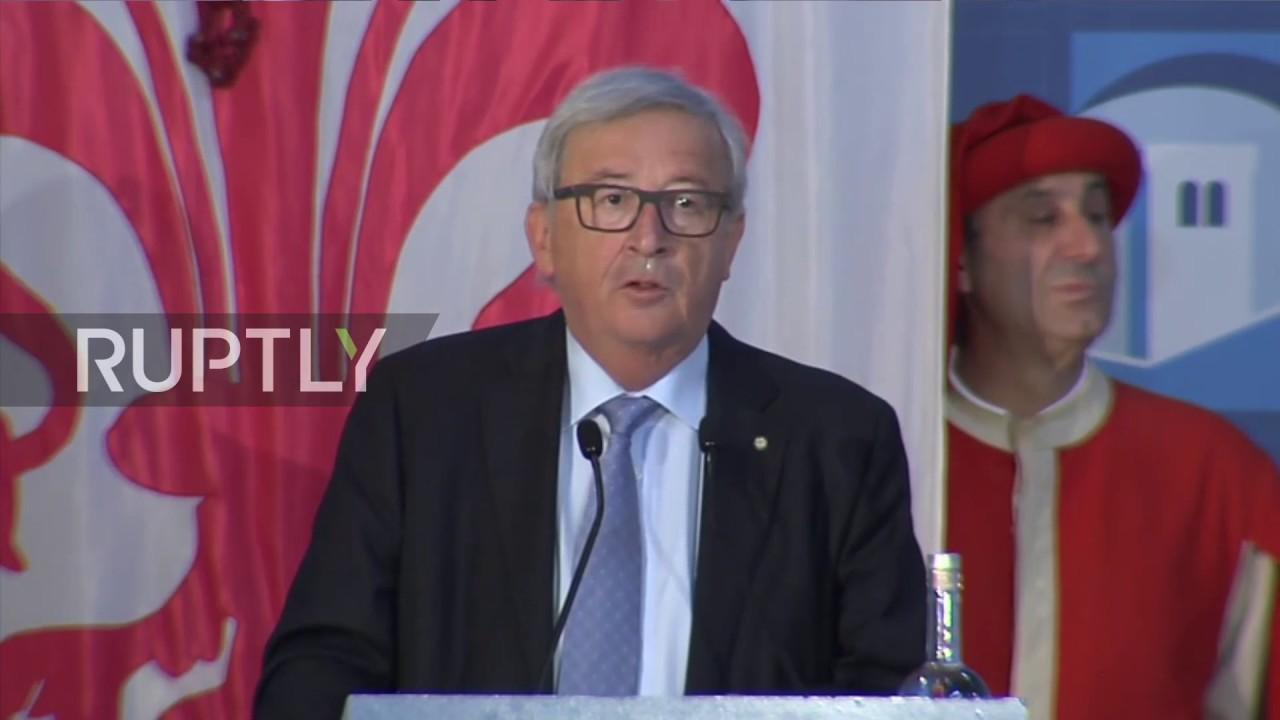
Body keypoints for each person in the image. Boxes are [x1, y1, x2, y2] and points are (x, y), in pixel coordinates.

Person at [255, 67, 926, 718]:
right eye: (611, 200)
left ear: (731, 242)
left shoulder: (837, 440)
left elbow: (886, 690)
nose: (649, 239)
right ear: (544, 238)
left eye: (686, 204)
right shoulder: (424, 412)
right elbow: (322, 664)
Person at [945, 94, 1280, 720]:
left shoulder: (1219, 477)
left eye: (1097, 217)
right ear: (961, 258)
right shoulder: (885, 454)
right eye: (1042, 219)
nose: (1088, 246)